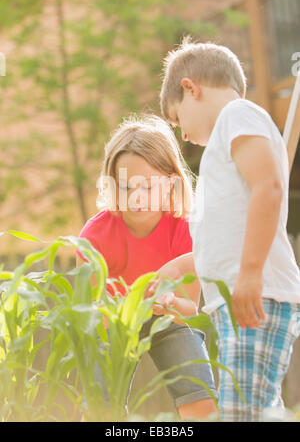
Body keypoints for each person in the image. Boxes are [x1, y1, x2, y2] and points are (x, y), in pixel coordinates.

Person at [153, 37, 300, 422]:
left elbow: (269, 187)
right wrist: (181, 267)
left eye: (177, 118)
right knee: (246, 411)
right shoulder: (223, 147)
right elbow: (227, 234)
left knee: (242, 414)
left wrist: (250, 273)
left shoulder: (238, 115)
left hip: (257, 294)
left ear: (191, 88)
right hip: (240, 300)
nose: (182, 135)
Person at [76, 114, 218, 420]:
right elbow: (88, 310)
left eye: (148, 187)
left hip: (166, 320)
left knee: (196, 389)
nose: (137, 198)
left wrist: (168, 304)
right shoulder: (95, 236)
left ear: (170, 183)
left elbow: (189, 308)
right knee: (101, 401)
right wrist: (122, 310)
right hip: (112, 322)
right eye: (127, 188)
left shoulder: (185, 231)